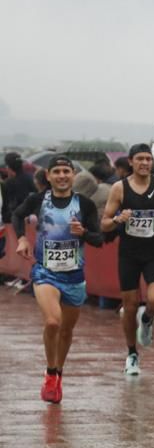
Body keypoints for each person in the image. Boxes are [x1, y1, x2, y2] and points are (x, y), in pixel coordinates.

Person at [12, 156, 104, 403]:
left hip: (74, 277)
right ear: (49, 176)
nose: (62, 176)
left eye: (66, 171)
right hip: (46, 272)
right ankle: (50, 372)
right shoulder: (38, 200)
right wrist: (22, 238)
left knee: (65, 331)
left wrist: (83, 232)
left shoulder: (84, 204)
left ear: (73, 175)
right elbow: (17, 215)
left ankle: (57, 374)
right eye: (57, 172)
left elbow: (99, 239)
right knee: (53, 322)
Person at [101, 144, 154, 375]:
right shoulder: (119, 188)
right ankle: (132, 354)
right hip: (129, 255)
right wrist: (118, 219)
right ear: (131, 162)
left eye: (148, 159)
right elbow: (104, 223)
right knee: (130, 306)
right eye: (140, 159)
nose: (144, 163)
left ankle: (147, 319)